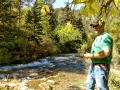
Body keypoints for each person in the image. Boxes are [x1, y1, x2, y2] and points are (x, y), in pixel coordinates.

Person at [82, 18, 113, 90]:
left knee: (102, 88)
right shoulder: (98, 37)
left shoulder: (105, 36)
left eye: (96, 25)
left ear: (103, 25)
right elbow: (97, 51)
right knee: (89, 86)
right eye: (93, 26)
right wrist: (89, 54)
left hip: (101, 68)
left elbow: (106, 52)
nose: (94, 27)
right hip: (93, 66)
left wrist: (91, 55)